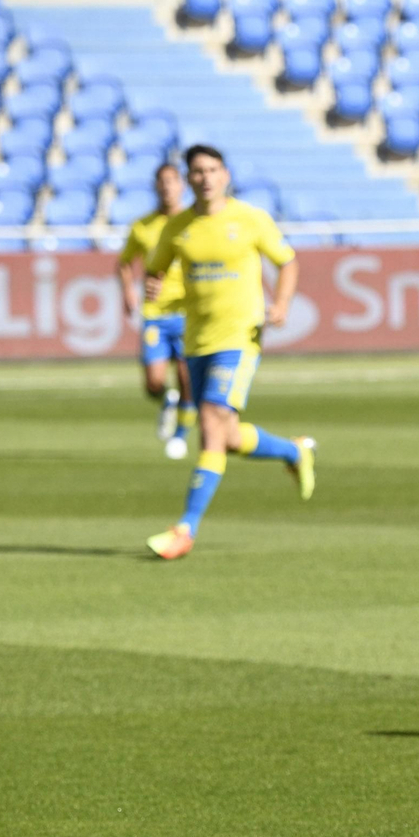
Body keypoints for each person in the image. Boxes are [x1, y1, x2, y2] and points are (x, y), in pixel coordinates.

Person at [143, 144, 313, 561]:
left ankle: (185, 529)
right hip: (195, 340)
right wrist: (153, 285)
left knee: (210, 421)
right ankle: (295, 451)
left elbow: (287, 261)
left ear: (225, 175)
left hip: (238, 337)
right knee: (226, 435)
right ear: (189, 179)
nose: (205, 177)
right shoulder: (178, 227)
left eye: (212, 169)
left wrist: (283, 303)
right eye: (197, 171)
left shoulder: (250, 219)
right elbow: (155, 268)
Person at [117, 163, 194, 460]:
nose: (167, 187)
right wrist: (127, 290)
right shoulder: (143, 226)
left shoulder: (193, 223)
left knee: (188, 377)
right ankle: (166, 400)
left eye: (172, 181)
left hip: (187, 311)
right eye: (162, 181)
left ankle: (181, 436)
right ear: (155, 186)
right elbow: (125, 262)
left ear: (182, 186)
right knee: (153, 382)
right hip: (155, 313)